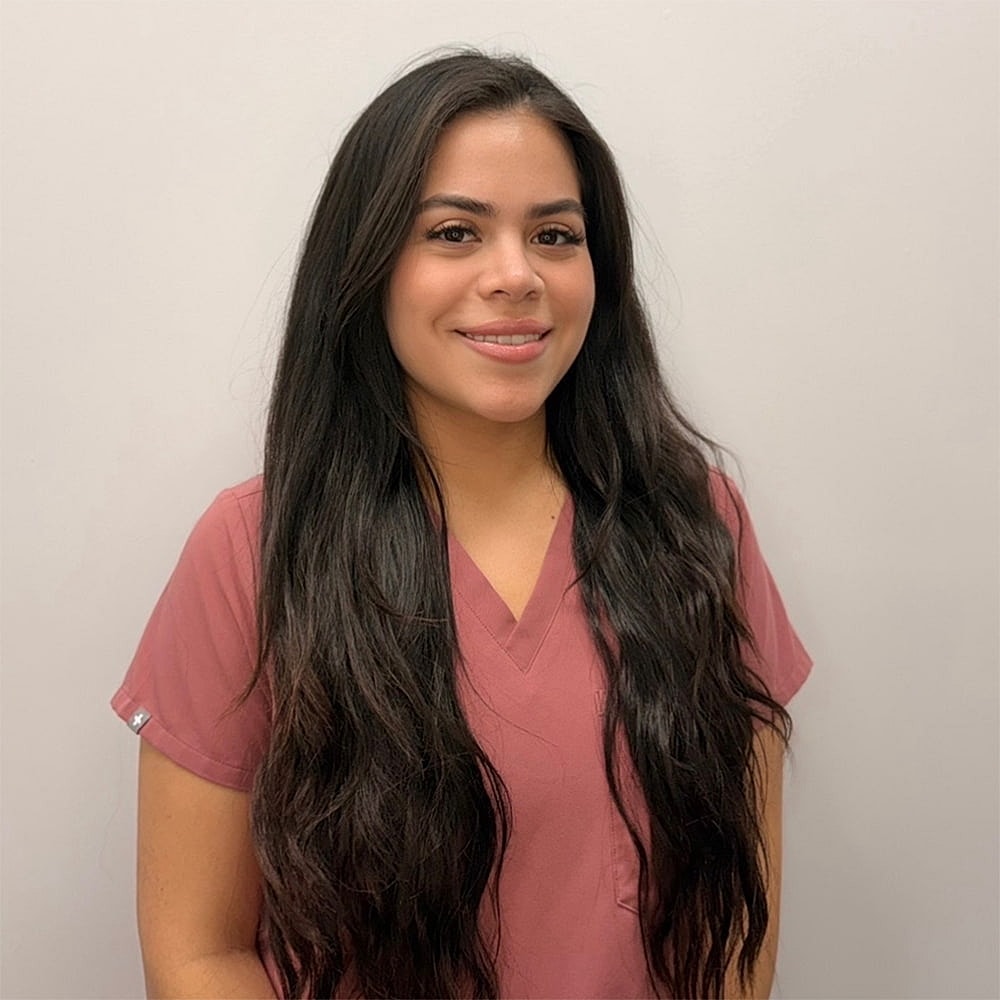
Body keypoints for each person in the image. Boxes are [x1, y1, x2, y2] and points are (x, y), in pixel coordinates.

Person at [112, 50, 811, 1000]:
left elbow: (739, 910)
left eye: (556, 236)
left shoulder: (698, 528)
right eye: (454, 232)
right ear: (367, 265)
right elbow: (198, 954)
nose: (516, 275)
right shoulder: (253, 552)